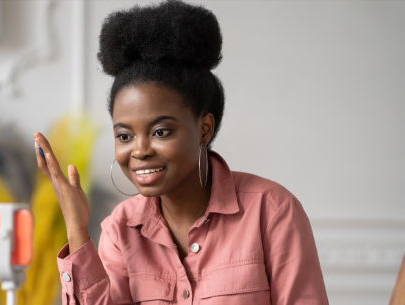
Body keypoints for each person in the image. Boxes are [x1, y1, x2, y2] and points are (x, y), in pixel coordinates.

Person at [33, 0, 329, 304]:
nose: (140, 150)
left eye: (160, 132)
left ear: (204, 129)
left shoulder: (272, 211)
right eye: (125, 135)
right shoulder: (120, 230)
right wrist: (77, 230)